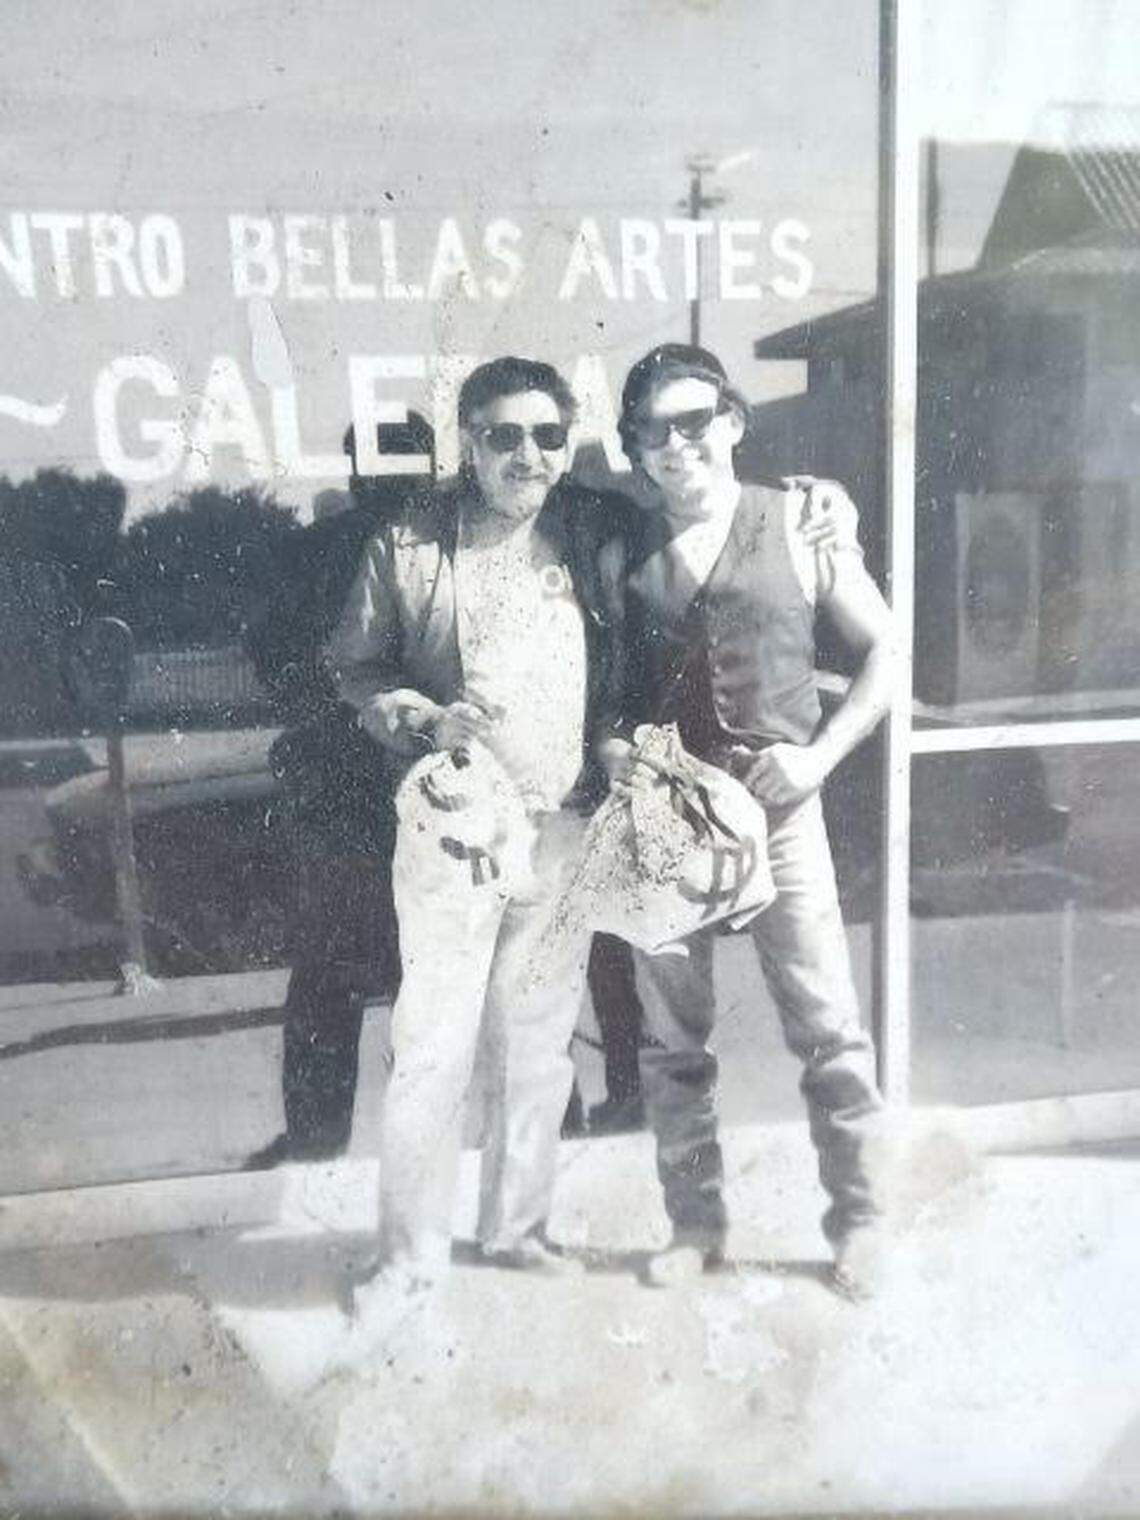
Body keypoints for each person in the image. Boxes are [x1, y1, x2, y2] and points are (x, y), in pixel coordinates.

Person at [327, 357, 632, 1316]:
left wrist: (809, 501)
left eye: (547, 435)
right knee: (432, 1046)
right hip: (455, 827)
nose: (528, 454)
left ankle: (517, 1231)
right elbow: (355, 667)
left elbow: (695, 530)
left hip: (562, 824)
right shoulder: (410, 540)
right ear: (470, 440)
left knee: (537, 1045)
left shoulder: (592, 528)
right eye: (504, 434)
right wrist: (421, 717)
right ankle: (407, 1259)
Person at [608, 343, 898, 1297]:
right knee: (672, 1042)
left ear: (732, 421)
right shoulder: (622, 553)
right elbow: (607, 699)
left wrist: (818, 756)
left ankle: (863, 1222)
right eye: (655, 429)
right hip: (670, 824)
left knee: (828, 1027)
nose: (677, 443)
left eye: (696, 420)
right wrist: (623, 758)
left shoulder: (801, 524)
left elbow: (888, 652)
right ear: (637, 450)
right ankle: (696, 1228)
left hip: (782, 817)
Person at [242, 413, 436, 1170]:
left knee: (330, 976)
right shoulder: (445, 547)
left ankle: (319, 1144)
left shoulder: (313, 550)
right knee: (450, 974)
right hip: (409, 787)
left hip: (345, 789)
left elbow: (269, 658)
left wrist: (323, 720)